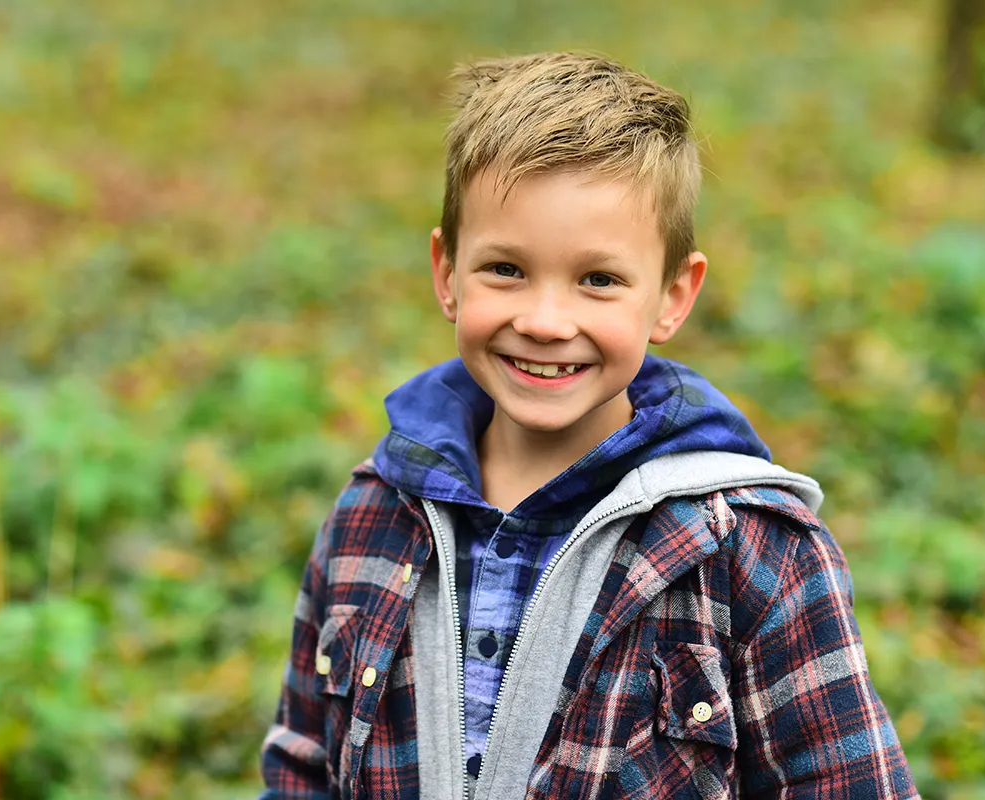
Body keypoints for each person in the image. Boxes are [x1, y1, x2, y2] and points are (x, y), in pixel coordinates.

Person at [260, 52, 919, 799]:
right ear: (447, 274)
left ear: (673, 295)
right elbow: (302, 768)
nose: (545, 321)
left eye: (598, 280)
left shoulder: (748, 550)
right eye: (505, 269)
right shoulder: (372, 519)